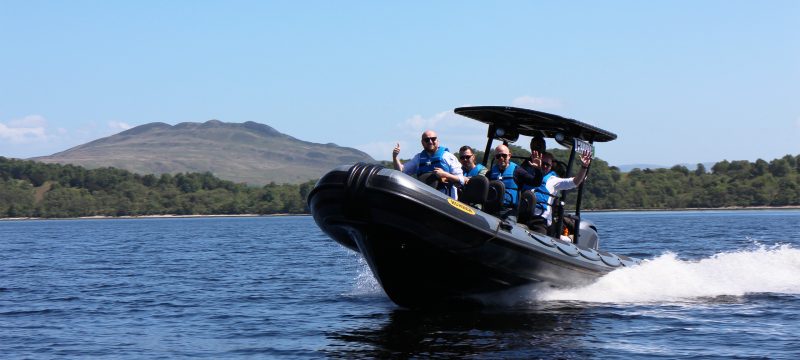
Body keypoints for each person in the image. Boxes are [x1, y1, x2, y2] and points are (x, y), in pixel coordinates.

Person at [525, 150, 593, 234]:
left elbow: (575, 182)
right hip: (524, 215)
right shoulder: (526, 175)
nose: (545, 166)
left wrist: (584, 166)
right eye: (543, 163)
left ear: (551, 167)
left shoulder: (553, 180)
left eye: (548, 165)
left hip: (540, 219)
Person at [392, 130, 464, 199]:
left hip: (446, 200)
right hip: (427, 199)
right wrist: (395, 157)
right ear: (422, 142)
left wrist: (445, 174)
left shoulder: (448, 157)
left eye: (433, 139)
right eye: (427, 140)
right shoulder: (418, 158)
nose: (430, 142)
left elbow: (461, 180)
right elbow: (401, 171)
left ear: (437, 141)